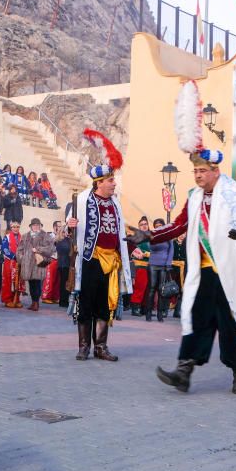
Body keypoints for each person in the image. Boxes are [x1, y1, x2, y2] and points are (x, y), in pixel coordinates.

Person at [144, 85, 236, 393]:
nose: (197, 175)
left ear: (215, 170)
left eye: (202, 170)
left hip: (231, 273)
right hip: (204, 272)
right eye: (195, 170)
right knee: (195, 320)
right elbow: (179, 226)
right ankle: (183, 372)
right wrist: (147, 236)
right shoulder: (194, 197)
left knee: (230, 325)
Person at [65, 129, 133, 362]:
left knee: (105, 304)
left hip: (111, 261)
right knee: (86, 302)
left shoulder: (116, 203)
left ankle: (101, 346)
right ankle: (84, 346)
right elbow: (69, 226)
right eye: (111, 180)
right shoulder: (83, 199)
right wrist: (69, 224)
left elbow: (120, 231)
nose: (114, 184)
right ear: (100, 182)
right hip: (90, 259)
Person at [17, 218, 54, 311]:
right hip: (27, 264)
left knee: (37, 283)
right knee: (31, 283)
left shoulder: (45, 235)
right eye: (34, 225)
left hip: (39, 264)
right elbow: (19, 249)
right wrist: (22, 259)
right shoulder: (25, 236)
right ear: (31, 226)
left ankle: (36, 303)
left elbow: (50, 249)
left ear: (40, 226)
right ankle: (33, 302)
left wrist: (38, 249)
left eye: (38, 225)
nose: (36, 227)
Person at [143, 218, 174, 322]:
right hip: (153, 264)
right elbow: (151, 248)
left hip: (164, 265)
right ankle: (148, 312)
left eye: (160, 225)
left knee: (161, 289)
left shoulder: (168, 236)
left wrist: (168, 264)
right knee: (151, 288)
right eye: (156, 226)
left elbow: (171, 250)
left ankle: (159, 313)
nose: (158, 227)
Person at [129, 216, 151, 316]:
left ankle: (144, 309)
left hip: (151, 266)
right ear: (139, 226)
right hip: (140, 265)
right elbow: (132, 250)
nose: (144, 226)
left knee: (148, 289)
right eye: (141, 224)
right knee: (139, 287)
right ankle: (135, 309)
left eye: (145, 224)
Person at [1, 222, 23, 308]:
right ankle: (7, 300)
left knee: (18, 281)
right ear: (11, 228)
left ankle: (16, 299)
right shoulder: (6, 237)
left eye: (17, 227)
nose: (16, 228)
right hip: (10, 262)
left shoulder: (22, 238)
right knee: (8, 280)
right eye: (14, 227)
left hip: (19, 263)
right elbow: (4, 249)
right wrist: (14, 256)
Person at [41, 222, 63, 304]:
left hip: (59, 260)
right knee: (49, 279)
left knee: (57, 280)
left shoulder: (62, 236)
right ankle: (46, 296)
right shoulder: (50, 235)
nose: (60, 228)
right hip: (51, 259)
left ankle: (54, 297)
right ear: (54, 227)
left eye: (61, 226)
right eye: (59, 226)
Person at [56, 217, 73, 308]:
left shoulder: (64, 240)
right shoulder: (62, 241)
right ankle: (63, 301)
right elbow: (68, 250)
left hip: (65, 264)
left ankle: (64, 300)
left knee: (65, 283)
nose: (68, 233)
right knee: (64, 283)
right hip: (64, 264)